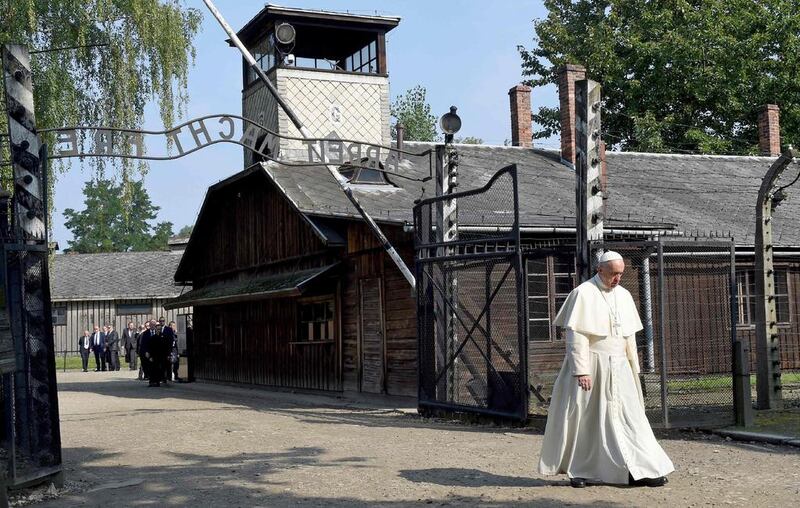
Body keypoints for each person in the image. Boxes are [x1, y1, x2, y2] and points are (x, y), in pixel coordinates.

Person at [538, 251, 674, 488]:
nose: (617, 278)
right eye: (613, 274)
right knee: (588, 419)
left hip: (620, 366)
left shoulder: (624, 295)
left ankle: (642, 469)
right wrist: (581, 370)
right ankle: (582, 471)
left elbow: (628, 336)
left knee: (631, 419)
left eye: (620, 273)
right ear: (600, 270)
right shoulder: (583, 293)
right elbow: (576, 335)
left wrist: (634, 367)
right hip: (593, 365)